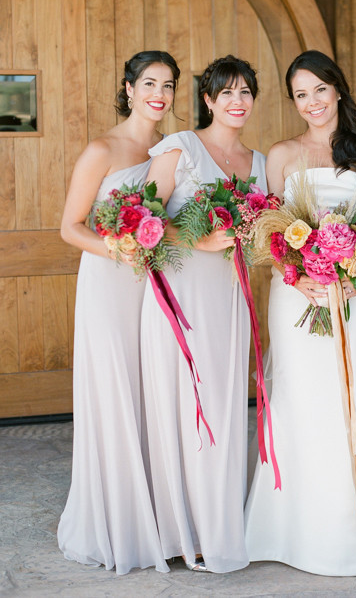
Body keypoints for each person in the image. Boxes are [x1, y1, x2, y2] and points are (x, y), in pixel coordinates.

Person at [245, 50, 356, 576]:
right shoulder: (280, 154)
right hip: (296, 293)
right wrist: (299, 277)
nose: (312, 103)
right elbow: (272, 234)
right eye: (301, 95)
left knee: (348, 397)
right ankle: (290, 530)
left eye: (319, 90)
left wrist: (355, 276)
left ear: (338, 90)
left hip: (354, 295)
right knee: (302, 397)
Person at [139, 55, 266, 574]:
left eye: (246, 93)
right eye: (226, 93)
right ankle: (180, 529)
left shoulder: (257, 162)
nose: (237, 102)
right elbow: (142, 217)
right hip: (181, 294)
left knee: (224, 404)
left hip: (229, 297)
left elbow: (259, 233)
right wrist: (197, 234)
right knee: (182, 402)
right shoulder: (181, 148)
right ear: (208, 100)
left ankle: (219, 522)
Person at [58, 50, 179, 574]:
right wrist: (121, 249)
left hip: (158, 285)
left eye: (169, 84)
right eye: (149, 82)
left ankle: (159, 517)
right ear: (128, 88)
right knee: (117, 391)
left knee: (154, 392)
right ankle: (116, 522)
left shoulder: (175, 149)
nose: (159, 92)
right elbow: (71, 227)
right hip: (111, 284)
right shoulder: (102, 149)